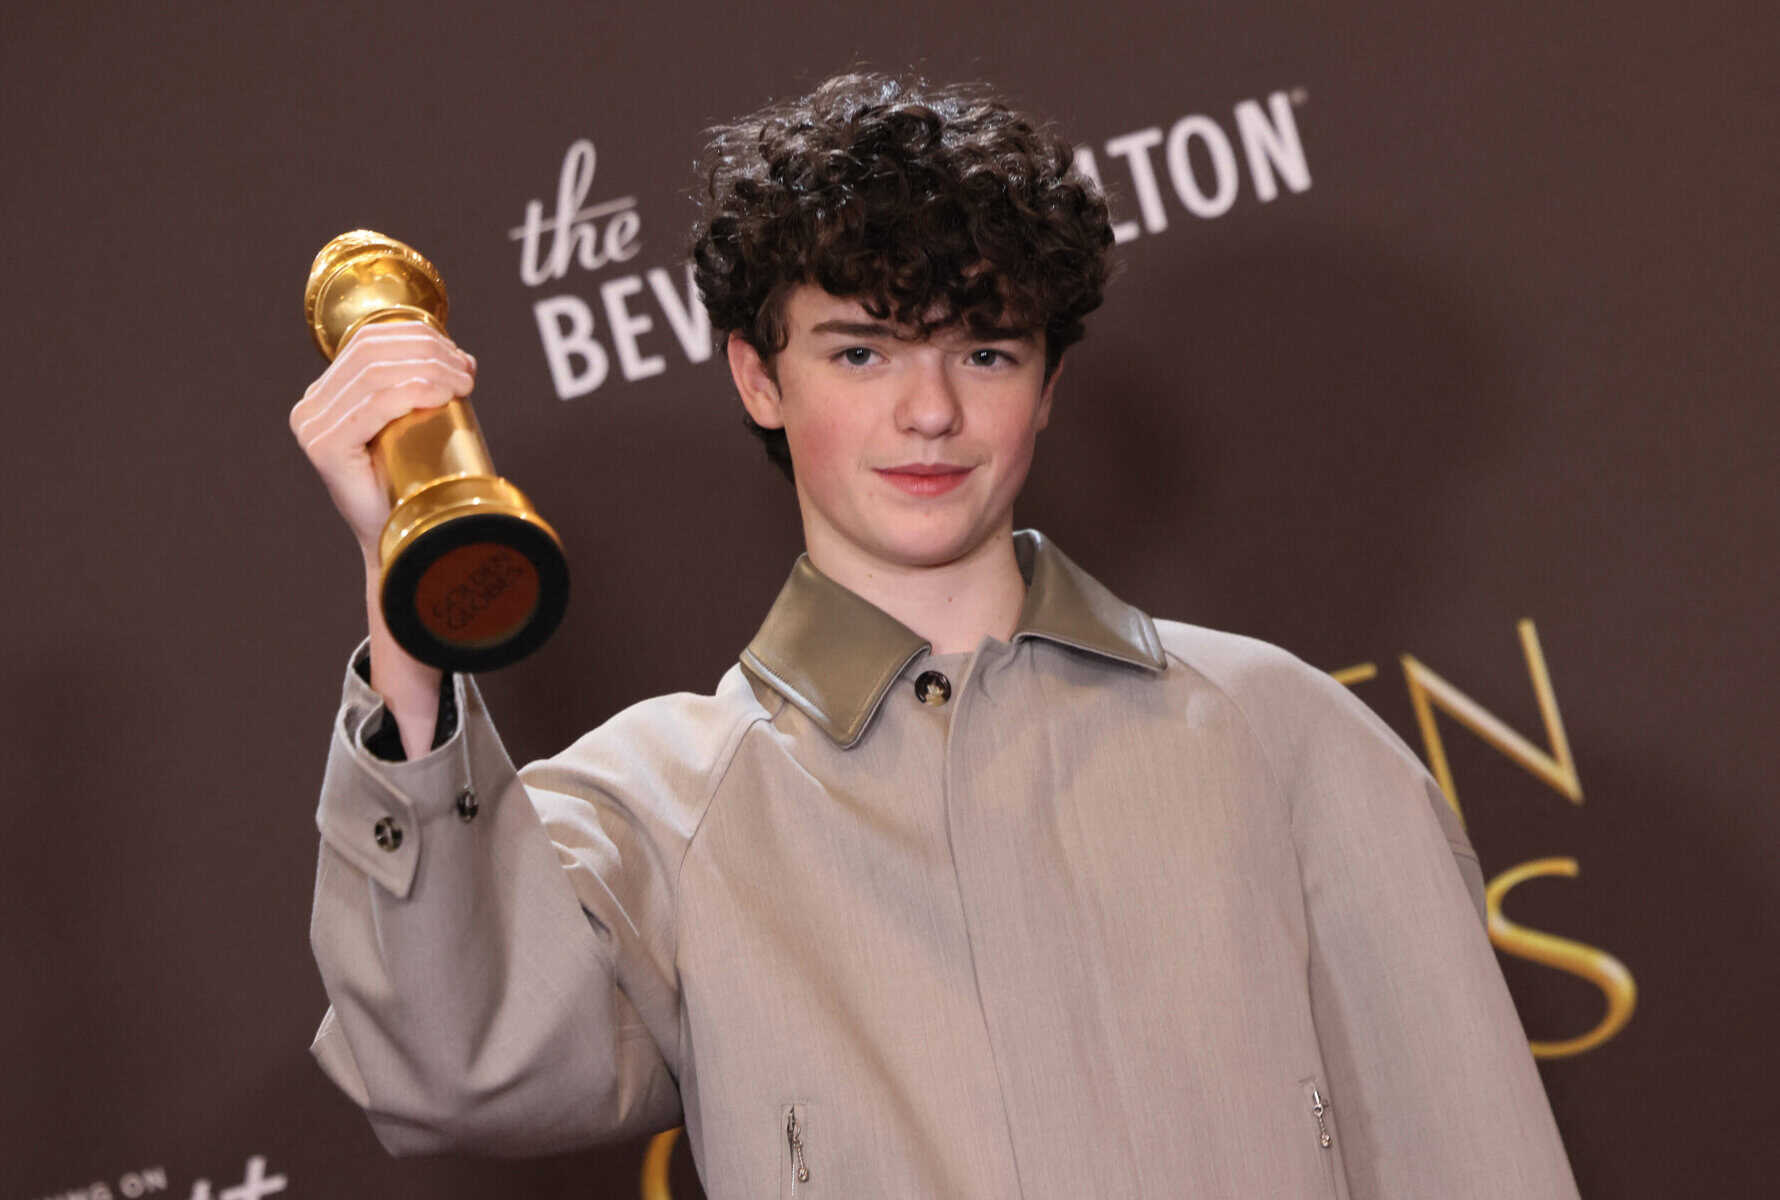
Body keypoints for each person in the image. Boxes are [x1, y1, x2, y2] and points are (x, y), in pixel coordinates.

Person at [293, 73, 1581, 1198]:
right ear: (758, 375)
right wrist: (405, 580)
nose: (929, 413)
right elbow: (457, 1065)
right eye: (860, 354)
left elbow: (1470, 1157)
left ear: (1049, 381)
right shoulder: (664, 808)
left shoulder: (1286, 736)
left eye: (984, 352)